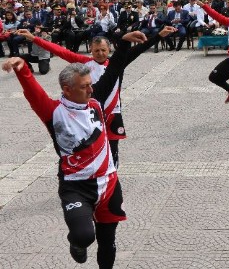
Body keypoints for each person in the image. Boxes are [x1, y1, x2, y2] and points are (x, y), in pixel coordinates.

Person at [1, 31, 147, 268]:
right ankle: (76, 243)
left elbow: (114, 69)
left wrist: (123, 43)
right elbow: (33, 93)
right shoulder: (53, 112)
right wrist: (21, 68)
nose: (91, 90)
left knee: (108, 241)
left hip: (108, 182)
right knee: (84, 236)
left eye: (90, 85)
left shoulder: (96, 99)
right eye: (84, 87)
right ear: (67, 90)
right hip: (76, 186)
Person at [16, 26, 176, 167]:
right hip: (89, 115)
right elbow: (60, 51)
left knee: (112, 151)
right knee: (89, 147)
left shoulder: (117, 63)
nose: (100, 53)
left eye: (103, 50)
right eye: (96, 50)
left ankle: (111, 178)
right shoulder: (84, 62)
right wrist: (33, 38)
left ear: (109, 50)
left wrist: (159, 35)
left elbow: (139, 49)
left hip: (113, 114)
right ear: (91, 50)